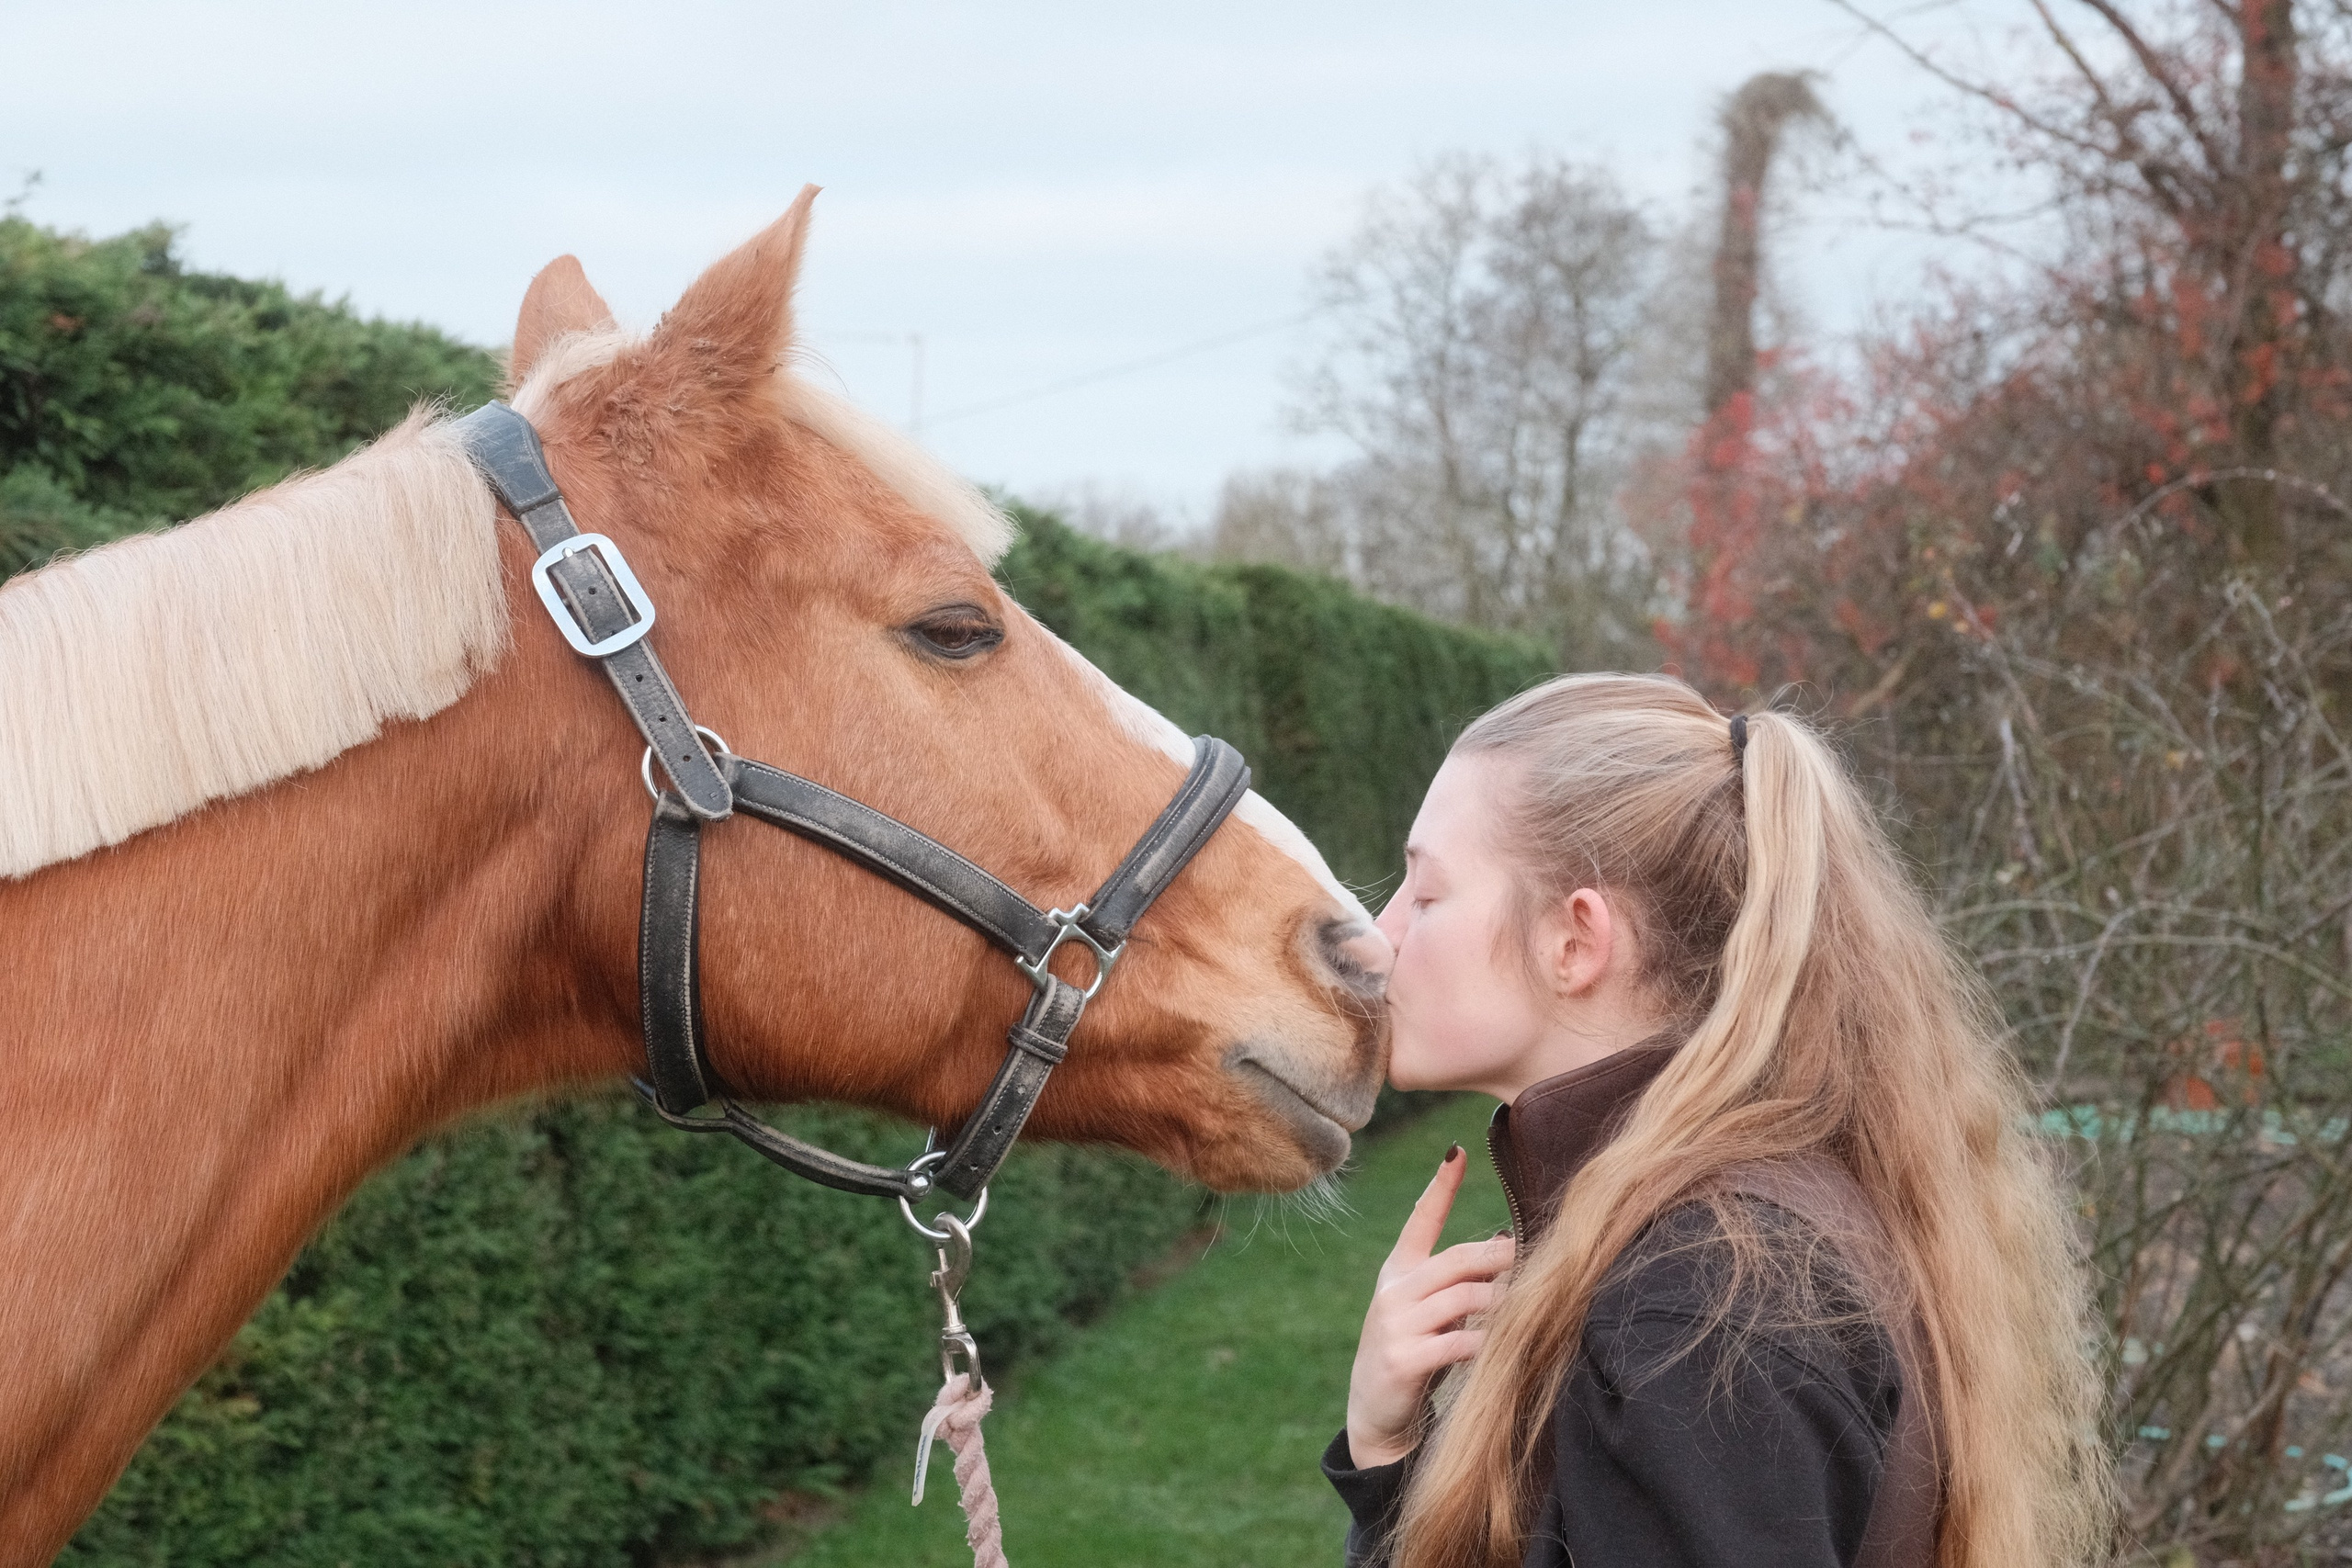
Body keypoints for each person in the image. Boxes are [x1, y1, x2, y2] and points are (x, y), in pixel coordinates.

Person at [1323, 674, 2111, 1568]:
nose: (1378, 936)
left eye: (1424, 896)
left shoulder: (1702, 1312)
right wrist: (1386, 1460)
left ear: (1574, 942)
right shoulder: (1719, 1246)